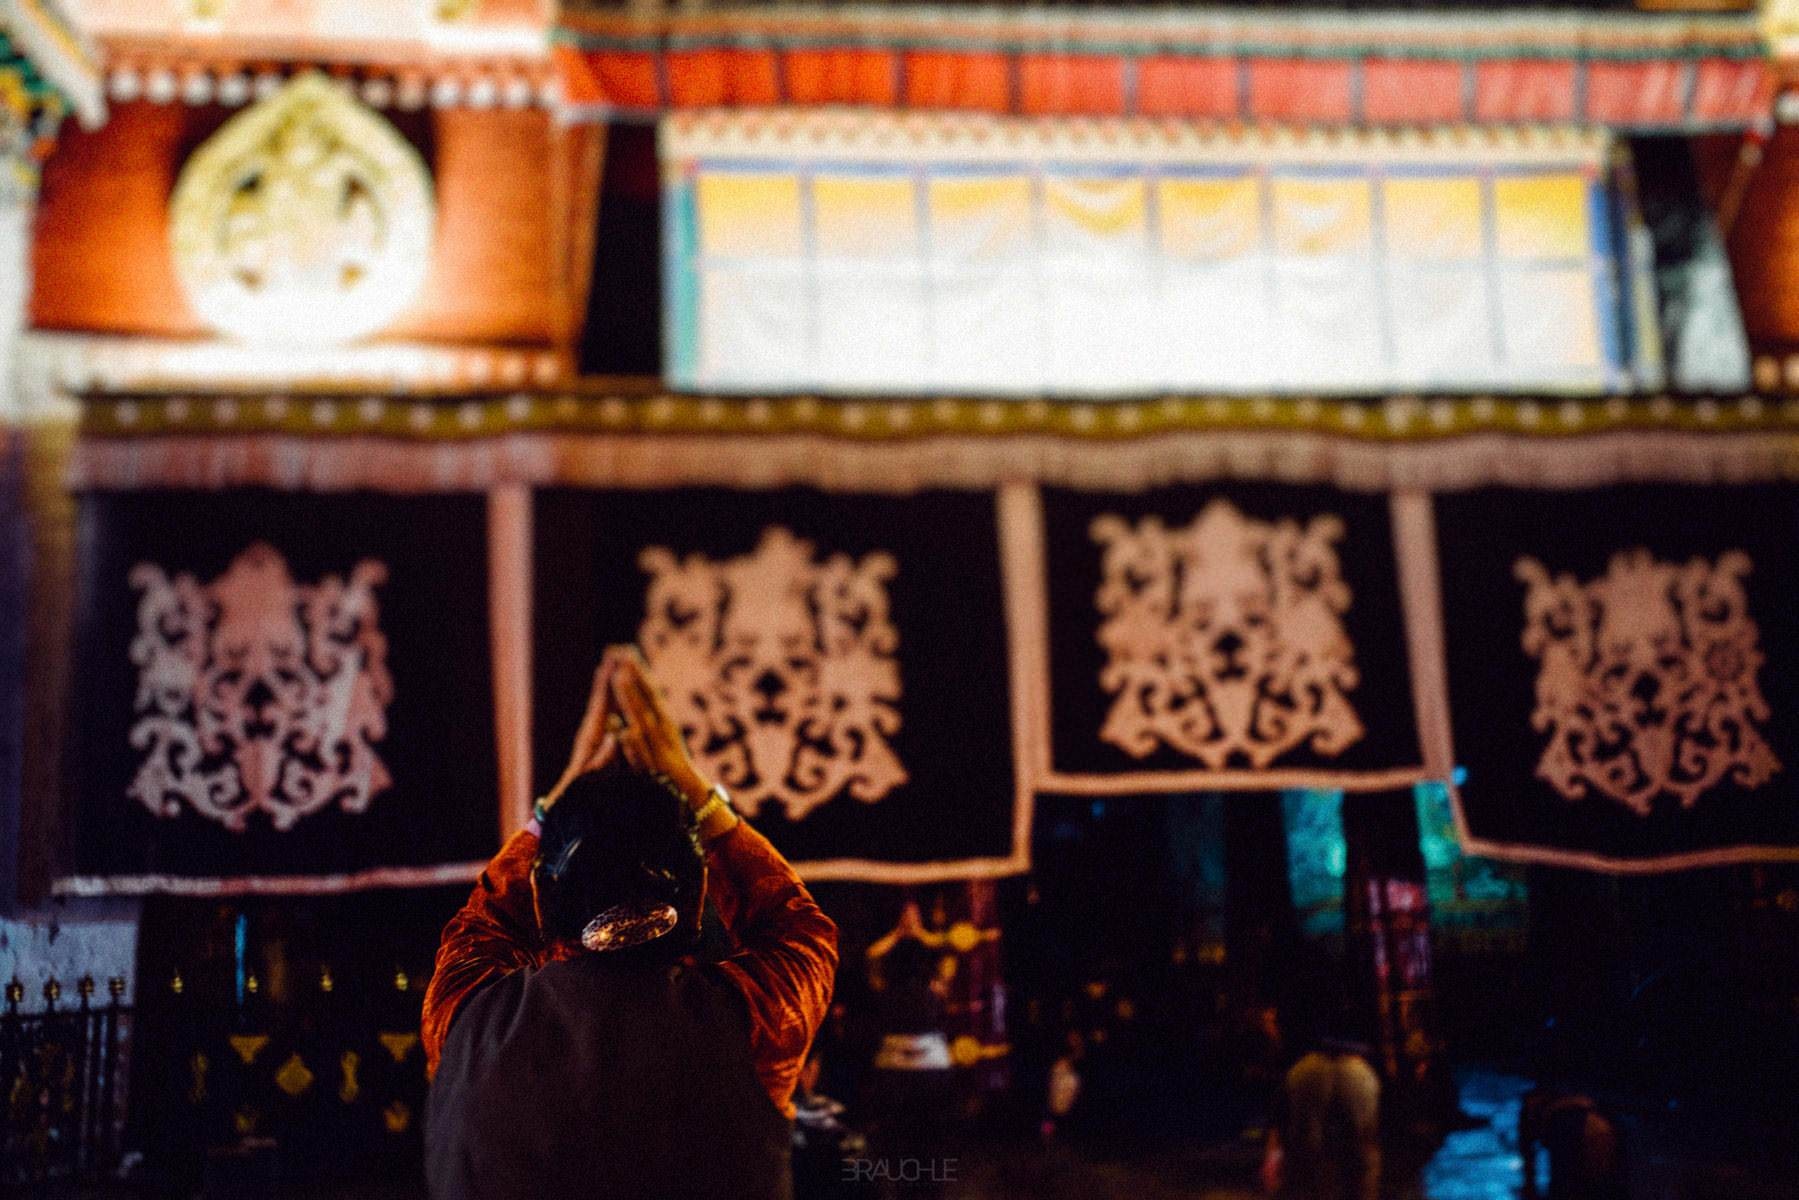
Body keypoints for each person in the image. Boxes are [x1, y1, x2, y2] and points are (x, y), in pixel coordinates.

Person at [422, 647, 839, 1200]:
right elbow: (797, 927)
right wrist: (695, 791)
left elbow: (485, 923)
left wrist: (557, 800)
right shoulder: (751, 1023)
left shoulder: (467, 1023)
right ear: (698, 903)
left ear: (542, 903)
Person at [1262, 1034, 1381, 1200]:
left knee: (1306, 1152)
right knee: (1361, 1155)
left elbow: (1281, 1113)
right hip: (1357, 1066)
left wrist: (1273, 1154)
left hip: (1307, 1066)